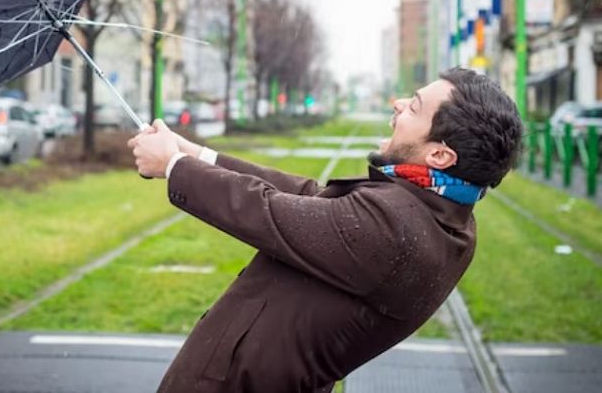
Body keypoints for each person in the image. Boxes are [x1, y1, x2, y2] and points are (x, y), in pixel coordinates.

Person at [128, 68, 523, 393]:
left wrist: (174, 166)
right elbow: (310, 198)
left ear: (439, 154)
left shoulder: (398, 228)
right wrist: (193, 153)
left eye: (414, 107)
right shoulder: (441, 213)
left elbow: (269, 212)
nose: (399, 103)